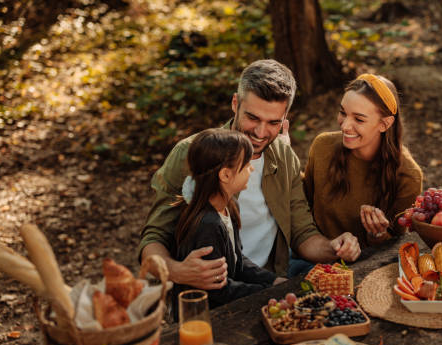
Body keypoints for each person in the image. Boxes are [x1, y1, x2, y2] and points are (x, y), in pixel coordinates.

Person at [139, 59, 360, 289]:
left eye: (273, 122)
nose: (260, 132)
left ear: (285, 119)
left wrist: (335, 247)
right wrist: (179, 271)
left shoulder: (284, 158)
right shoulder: (192, 153)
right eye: (252, 118)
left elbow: (302, 233)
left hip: (266, 278)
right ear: (235, 104)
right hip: (208, 293)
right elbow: (153, 239)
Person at [303, 73, 423, 247]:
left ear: (385, 124)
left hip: (365, 267)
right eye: (343, 113)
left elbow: (396, 246)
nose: (344, 126)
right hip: (314, 253)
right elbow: (303, 202)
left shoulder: (408, 176)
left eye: (359, 119)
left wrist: (378, 234)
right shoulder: (323, 146)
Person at [171, 128, 276, 313]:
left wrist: (272, 280)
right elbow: (218, 288)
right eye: (246, 166)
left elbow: (237, 260)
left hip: (227, 305)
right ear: (226, 175)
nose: (251, 168)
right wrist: (267, 293)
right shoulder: (207, 225)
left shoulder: (229, 207)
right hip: (206, 317)